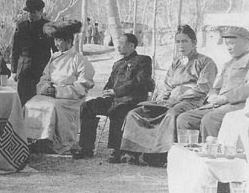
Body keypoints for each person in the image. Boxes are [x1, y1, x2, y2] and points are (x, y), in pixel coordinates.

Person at [120, 25, 217, 166]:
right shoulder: (176, 63)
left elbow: (203, 88)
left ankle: (159, 155)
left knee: (172, 114)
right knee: (136, 113)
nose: (180, 45)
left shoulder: (205, 62)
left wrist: (179, 97)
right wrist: (162, 99)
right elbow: (167, 86)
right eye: (178, 41)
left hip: (192, 101)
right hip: (171, 99)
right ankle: (132, 152)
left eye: (185, 41)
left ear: (194, 43)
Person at [73, 33, 154, 162]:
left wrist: (116, 91)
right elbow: (110, 82)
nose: (118, 46)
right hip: (114, 99)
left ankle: (116, 150)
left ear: (132, 46)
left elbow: (140, 82)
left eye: (122, 43)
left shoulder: (143, 60)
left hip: (132, 100)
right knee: (87, 106)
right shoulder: (117, 64)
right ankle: (86, 147)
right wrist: (106, 90)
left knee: (117, 110)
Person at [24, 20, 95, 154]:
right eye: (55, 40)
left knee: (52, 107)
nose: (56, 44)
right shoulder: (54, 57)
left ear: (69, 41)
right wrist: (45, 88)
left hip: (70, 99)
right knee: (30, 104)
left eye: (59, 41)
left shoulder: (79, 60)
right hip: (51, 94)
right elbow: (45, 76)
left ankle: (51, 142)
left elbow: (82, 86)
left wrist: (57, 91)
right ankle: (34, 140)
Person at [177, 26, 249, 141]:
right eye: (227, 44)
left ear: (246, 42)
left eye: (232, 43)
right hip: (219, 105)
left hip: (239, 106)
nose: (229, 48)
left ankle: (213, 154)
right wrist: (212, 96)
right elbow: (216, 87)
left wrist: (225, 98)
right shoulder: (228, 64)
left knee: (210, 119)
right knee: (185, 118)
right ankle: (189, 156)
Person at [11, 0, 56, 105]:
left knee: (41, 102)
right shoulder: (21, 27)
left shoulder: (48, 27)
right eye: (29, 12)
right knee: (23, 102)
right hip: (24, 72)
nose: (30, 15)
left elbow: (56, 51)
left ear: (41, 12)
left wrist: (55, 70)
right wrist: (13, 70)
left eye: (33, 12)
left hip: (41, 71)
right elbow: (15, 49)